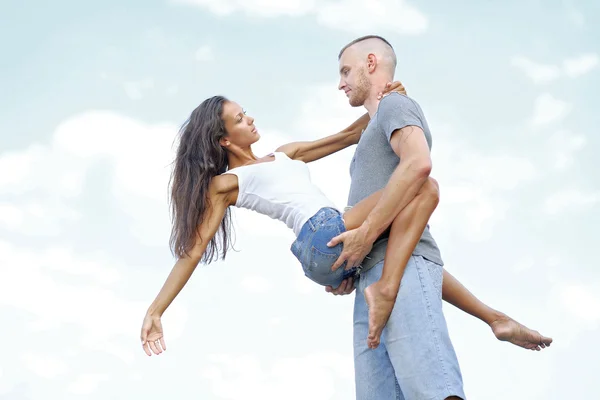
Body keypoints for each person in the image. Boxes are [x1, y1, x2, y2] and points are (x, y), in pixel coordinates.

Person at [140, 82, 551, 369]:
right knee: (421, 185)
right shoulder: (225, 184)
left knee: (406, 251)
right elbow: (193, 251)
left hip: (330, 242)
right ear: (223, 141)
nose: (250, 120)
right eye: (239, 119)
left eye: (246, 112)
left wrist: (385, 100)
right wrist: (157, 310)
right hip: (320, 235)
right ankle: (386, 290)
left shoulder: (285, 154)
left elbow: (350, 135)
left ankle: (495, 318)